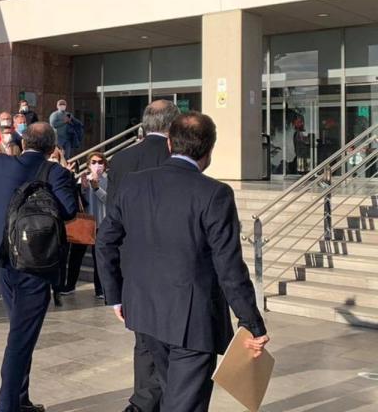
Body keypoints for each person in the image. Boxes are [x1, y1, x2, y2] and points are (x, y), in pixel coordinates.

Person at [98, 112, 269, 412]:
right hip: (193, 321)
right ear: (209, 150)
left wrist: (116, 297)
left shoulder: (133, 184)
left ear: (169, 143)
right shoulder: (214, 193)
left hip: (144, 311)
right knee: (184, 404)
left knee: (168, 394)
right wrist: (251, 322)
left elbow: (106, 241)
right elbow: (229, 266)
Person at [0, 120, 77, 412]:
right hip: (35, 263)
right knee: (21, 337)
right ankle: (7, 406)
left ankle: (20, 400)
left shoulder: (0, 165)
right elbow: (69, 211)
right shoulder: (55, 172)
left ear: (24, 140)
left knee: (21, 330)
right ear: (51, 147)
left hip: (3, 259)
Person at [105, 99, 181, 412]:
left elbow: (112, 218)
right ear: (173, 126)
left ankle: (144, 400)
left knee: (145, 342)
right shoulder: (179, 158)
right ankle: (150, 402)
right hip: (174, 265)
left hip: (133, 265)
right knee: (175, 347)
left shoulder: (121, 159)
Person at [61, 152, 108, 298]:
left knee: (98, 258)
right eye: (93, 162)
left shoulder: (109, 179)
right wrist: (83, 188)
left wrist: (96, 188)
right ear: (88, 165)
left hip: (102, 223)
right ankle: (70, 285)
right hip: (85, 223)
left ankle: (100, 289)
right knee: (76, 256)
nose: (97, 165)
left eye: (100, 162)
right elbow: (79, 202)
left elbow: (108, 199)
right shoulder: (84, 180)